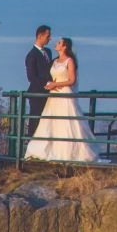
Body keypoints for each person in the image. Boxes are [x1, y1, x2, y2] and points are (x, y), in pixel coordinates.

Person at [23, 36, 99, 164]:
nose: (55, 43)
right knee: (51, 123)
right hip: (53, 95)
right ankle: (48, 151)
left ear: (64, 46)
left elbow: (72, 80)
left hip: (64, 94)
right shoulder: (54, 61)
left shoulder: (69, 61)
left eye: (59, 42)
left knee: (67, 123)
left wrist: (55, 85)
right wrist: (49, 84)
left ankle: (70, 153)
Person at [24, 25, 53, 137]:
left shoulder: (48, 52)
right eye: (48, 36)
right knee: (35, 121)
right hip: (36, 93)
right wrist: (46, 83)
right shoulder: (32, 55)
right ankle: (32, 146)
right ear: (40, 36)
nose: (49, 38)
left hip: (48, 93)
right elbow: (31, 77)